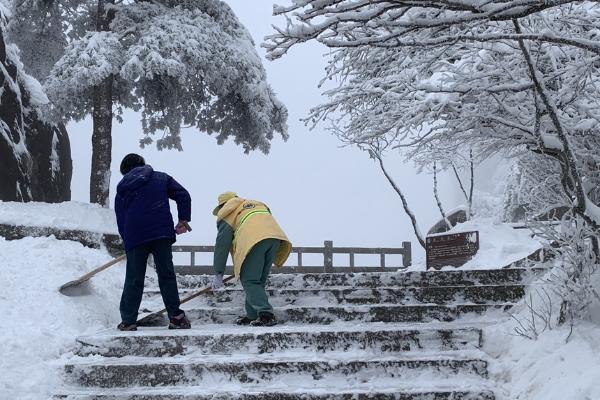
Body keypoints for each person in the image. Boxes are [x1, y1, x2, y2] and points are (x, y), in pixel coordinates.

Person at [114, 153, 192, 331]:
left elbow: (121, 218)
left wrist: (128, 241)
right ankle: (176, 317)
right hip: (161, 232)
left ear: (125, 171)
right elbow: (183, 195)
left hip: (135, 234)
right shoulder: (161, 178)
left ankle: (128, 320)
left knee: (134, 278)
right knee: (166, 275)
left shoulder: (123, 188)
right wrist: (183, 218)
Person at [212, 192, 292, 326]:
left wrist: (218, 272)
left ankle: (266, 314)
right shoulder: (255, 204)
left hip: (254, 240)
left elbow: (222, 245)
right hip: (275, 238)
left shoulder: (227, 212)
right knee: (258, 280)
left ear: (222, 205)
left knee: (249, 279)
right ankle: (252, 315)